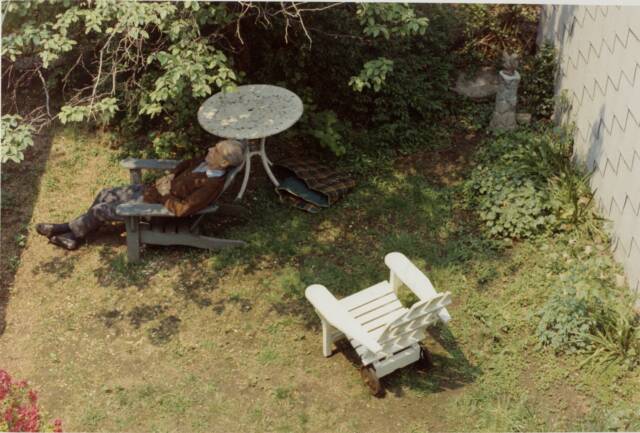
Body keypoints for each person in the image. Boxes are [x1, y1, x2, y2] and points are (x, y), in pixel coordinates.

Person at [35, 139, 245, 250]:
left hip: (154, 210)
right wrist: (171, 175)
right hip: (149, 192)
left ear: (224, 163)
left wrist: (164, 194)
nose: (210, 149)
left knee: (102, 210)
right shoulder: (204, 162)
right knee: (106, 193)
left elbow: (182, 209)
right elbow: (186, 164)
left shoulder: (210, 186)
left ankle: (66, 229)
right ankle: (74, 236)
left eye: (215, 150)